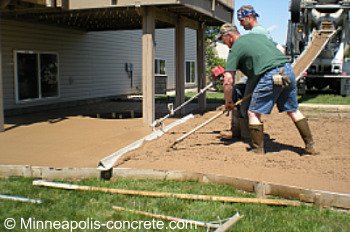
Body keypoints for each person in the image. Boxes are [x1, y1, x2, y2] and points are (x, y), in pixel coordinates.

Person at [216, 23, 319, 155]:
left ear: (229, 36)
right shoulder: (258, 37)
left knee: (253, 113)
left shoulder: (235, 48)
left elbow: (228, 80)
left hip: (270, 74)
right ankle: (310, 146)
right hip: (287, 69)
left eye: (222, 39)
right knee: (293, 110)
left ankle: (257, 149)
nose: (223, 43)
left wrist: (229, 102)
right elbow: (281, 50)